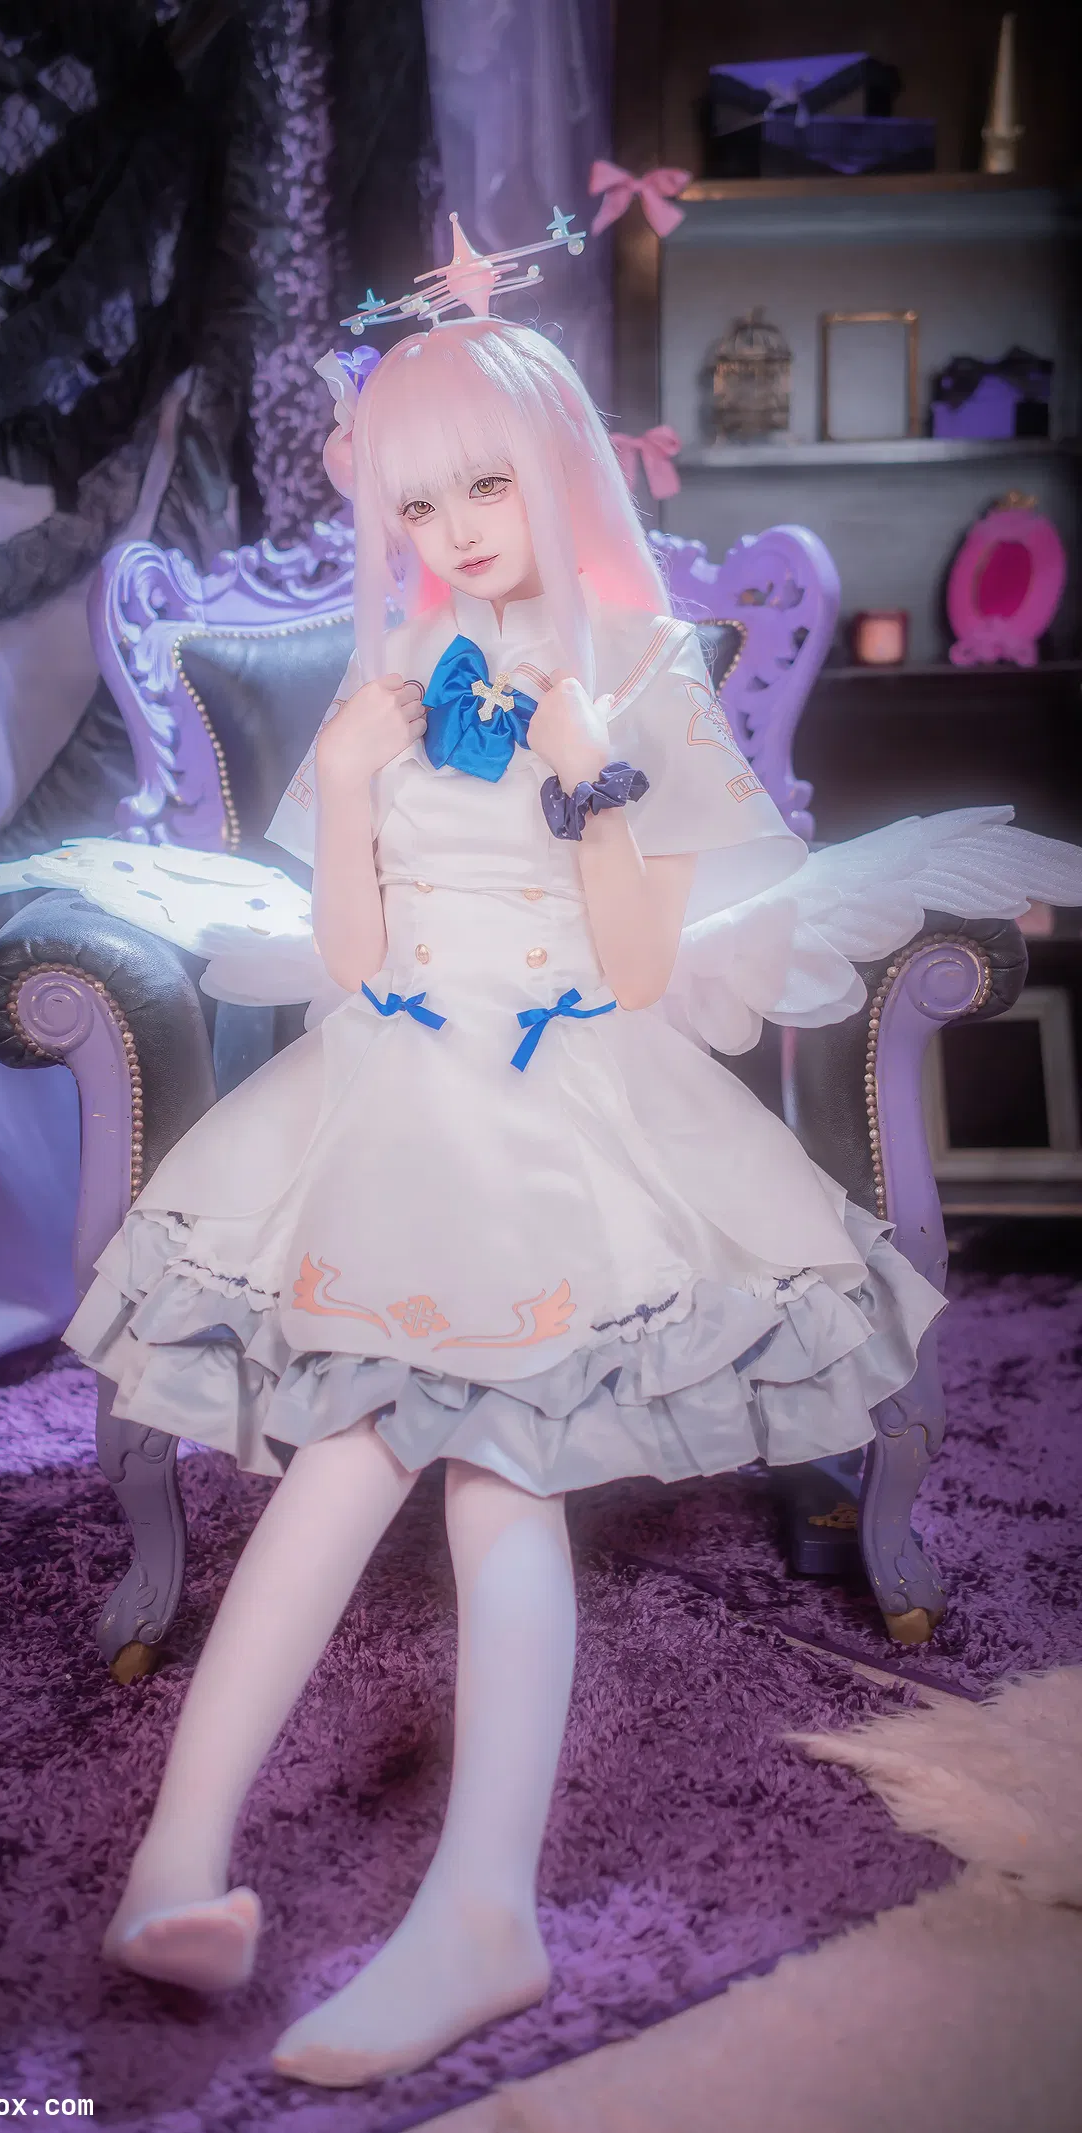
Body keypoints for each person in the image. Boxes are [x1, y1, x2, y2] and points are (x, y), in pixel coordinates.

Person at [56, 315, 993, 2086]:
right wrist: (347, 789)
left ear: (557, 465)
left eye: (486, 483)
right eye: (420, 503)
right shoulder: (394, 671)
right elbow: (349, 961)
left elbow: (640, 973)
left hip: (564, 1104)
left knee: (499, 1464)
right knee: (347, 1453)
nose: (459, 528)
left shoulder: (645, 674)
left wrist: (588, 781)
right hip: (397, 1087)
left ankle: (480, 1908)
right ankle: (180, 1866)